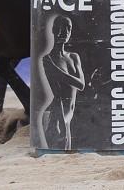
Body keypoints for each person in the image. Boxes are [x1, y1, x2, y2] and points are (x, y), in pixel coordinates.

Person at [41, 14, 84, 150]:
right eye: (61, 27)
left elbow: (81, 84)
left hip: (66, 116)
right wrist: (61, 123)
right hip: (55, 115)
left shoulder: (73, 57)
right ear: (54, 30)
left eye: (68, 28)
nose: (65, 31)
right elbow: (57, 92)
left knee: (64, 152)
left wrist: (56, 71)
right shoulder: (48, 59)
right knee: (56, 154)